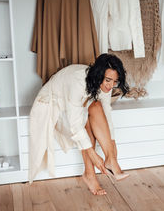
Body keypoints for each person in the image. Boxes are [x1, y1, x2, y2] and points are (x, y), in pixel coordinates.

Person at [28, 53, 130, 195]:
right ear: (99, 74)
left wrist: (112, 144)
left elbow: (107, 112)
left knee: (97, 106)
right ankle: (89, 174)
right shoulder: (78, 83)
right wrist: (93, 154)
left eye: (115, 82)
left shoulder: (105, 83)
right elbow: (75, 125)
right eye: (108, 80)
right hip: (53, 105)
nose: (111, 85)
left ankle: (111, 160)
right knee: (86, 120)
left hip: (76, 107)